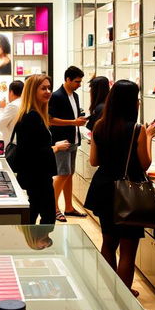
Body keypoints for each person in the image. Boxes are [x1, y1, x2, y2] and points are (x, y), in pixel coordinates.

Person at [86, 79, 155, 294]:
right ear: (132, 102)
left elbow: (94, 161)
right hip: (128, 192)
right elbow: (145, 164)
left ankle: (109, 290)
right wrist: (150, 138)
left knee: (108, 242)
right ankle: (124, 296)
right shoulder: (137, 129)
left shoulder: (100, 126)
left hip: (104, 187)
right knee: (128, 250)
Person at [13, 74, 70, 224]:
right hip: (37, 176)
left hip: (37, 175)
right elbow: (33, 152)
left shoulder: (34, 115)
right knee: (46, 216)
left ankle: (34, 242)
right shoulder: (32, 117)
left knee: (36, 212)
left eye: (49, 88)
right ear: (32, 91)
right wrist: (55, 148)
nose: (48, 91)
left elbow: (33, 146)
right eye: (43, 88)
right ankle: (37, 242)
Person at [49, 66, 89, 222]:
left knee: (69, 174)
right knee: (62, 173)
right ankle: (53, 208)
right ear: (67, 79)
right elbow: (50, 119)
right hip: (62, 141)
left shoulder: (76, 96)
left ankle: (69, 207)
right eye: (77, 81)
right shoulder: (57, 96)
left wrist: (80, 119)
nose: (79, 84)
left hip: (73, 139)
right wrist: (73, 122)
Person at [0, 80, 24, 146]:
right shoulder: (24, 103)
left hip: (14, 144)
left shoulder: (13, 106)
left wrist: (1, 108)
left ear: (11, 92)